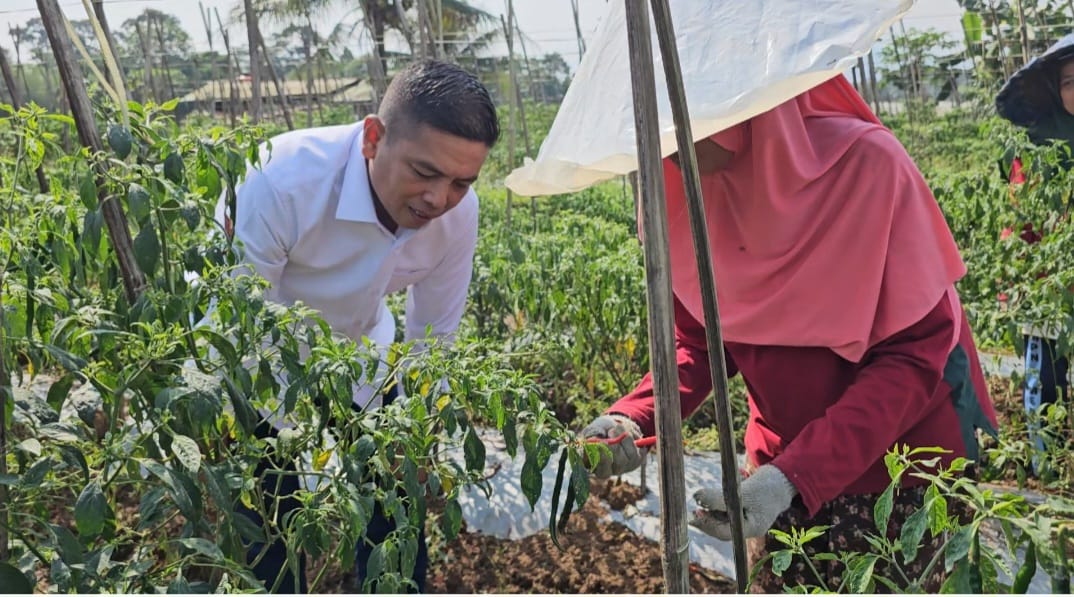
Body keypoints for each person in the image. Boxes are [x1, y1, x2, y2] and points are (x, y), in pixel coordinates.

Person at [581, 74, 998, 592]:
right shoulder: (674, 187)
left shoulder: (866, 166)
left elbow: (913, 359)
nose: (671, 139)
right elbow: (698, 340)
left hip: (901, 468)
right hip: (781, 460)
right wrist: (633, 413)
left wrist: (793, 478)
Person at [216, 59, 499, 593]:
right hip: (258, 359)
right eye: (425, 172)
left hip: (363, 353)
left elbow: (433, 334)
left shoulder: (457, 216)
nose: (439, 199)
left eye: (461, 181)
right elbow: (232, 323)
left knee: (395, 524)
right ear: (373, 138)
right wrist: (236, 426)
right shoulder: (279, 180)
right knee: (266, 530)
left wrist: (418, 436)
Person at [995, 33, 1074, 461]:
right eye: (1067, 81)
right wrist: (1024, 276)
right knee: (1045, 375)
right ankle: (1048, 458)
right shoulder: (1040, 143)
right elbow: (1020, 217)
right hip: (1048, 281)